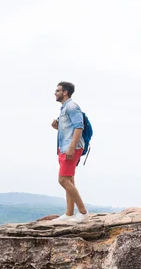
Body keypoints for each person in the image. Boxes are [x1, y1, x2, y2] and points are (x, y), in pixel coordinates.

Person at [51, 81, 88, 222]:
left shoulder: (72, 106)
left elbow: (79, 127)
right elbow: (70, 129)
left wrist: (72, 147)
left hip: (71, 148)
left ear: (65, 92)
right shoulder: (64, 108)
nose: (55, 93)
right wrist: (57, 126)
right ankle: (69, 213)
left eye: (57, 90)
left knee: (63, 180)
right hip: (64, 147)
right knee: (70, 179)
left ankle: (83, 212)